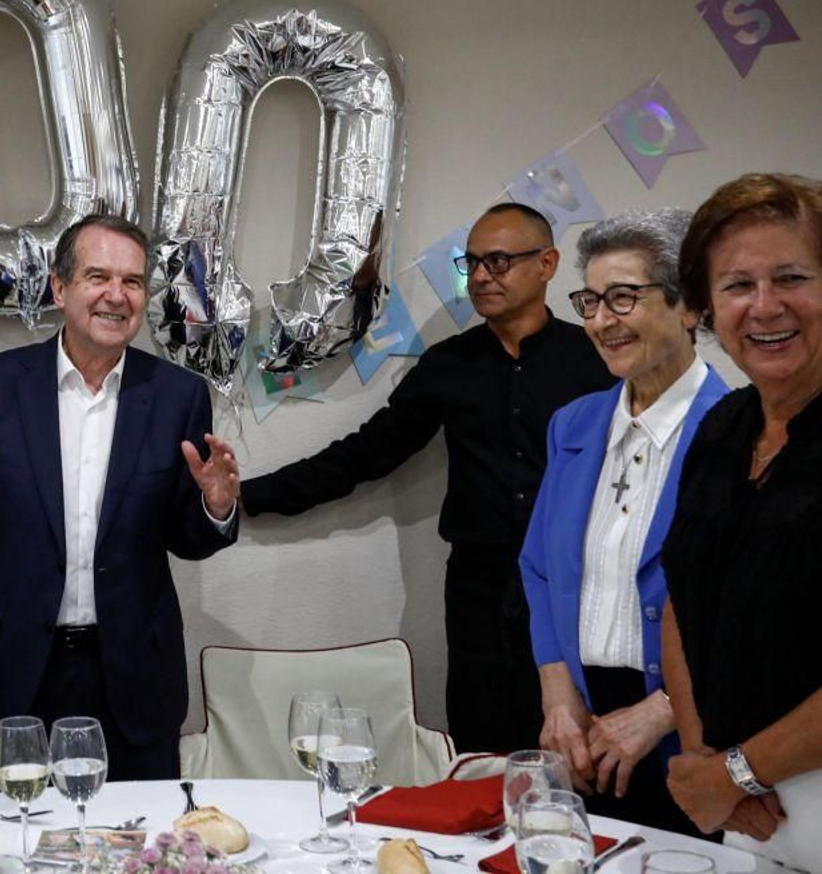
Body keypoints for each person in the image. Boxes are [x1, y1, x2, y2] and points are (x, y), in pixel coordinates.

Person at [241, 203, 613, 753]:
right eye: (474, 263)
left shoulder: (598, 362)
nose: (482, 276)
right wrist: (247, 496)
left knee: (582, 745)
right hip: (479, 589)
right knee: (481, 743)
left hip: (578, 585)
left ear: (548, 264)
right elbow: (367, 452)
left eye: (501, 261)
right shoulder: (449, 364)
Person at [0, 213, 241, 780]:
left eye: (134, 282)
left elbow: (182, 539)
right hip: (18, 671)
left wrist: (214, 507)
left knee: (140, 854)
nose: (116, 297)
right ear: (60, 286)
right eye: (98, 277)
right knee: (29, 852)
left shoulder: (178, 396)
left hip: (134, 675)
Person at [519, 209, 725, 835]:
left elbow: (754, 615)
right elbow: (539, 568)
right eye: (590, 302)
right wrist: (558, 695)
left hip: (692, 730)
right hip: (581, 729)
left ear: (688, 307)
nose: (602, 320)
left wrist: (661, 711)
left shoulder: (736, 430)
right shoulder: (574, 424)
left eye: (624, 298)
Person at [662, 173, 822, 866]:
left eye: (791, 276)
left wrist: (735, 771)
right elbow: (684, 595)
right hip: (749, 806)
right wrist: (704, 760)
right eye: (736, 285)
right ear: (705, 307)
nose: (765, 306)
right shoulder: (724, 426)